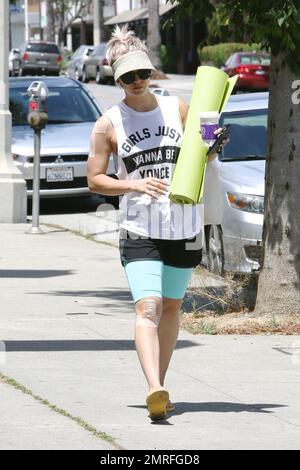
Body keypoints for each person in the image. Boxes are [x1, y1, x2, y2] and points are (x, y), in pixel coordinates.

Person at [87, 25, 227, 422]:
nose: (136, 82)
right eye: (127, 76)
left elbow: (202, 158)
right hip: (139, 228)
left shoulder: (178, 108)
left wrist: (214, 147)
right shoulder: (108, 123)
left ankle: (160, 388)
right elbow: (95, 178)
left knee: (171, 307)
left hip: (183, 225)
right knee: (147, 307)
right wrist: (132, 183)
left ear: (151, 74)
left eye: (142, 74)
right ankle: (153, 387)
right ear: (116, 78)